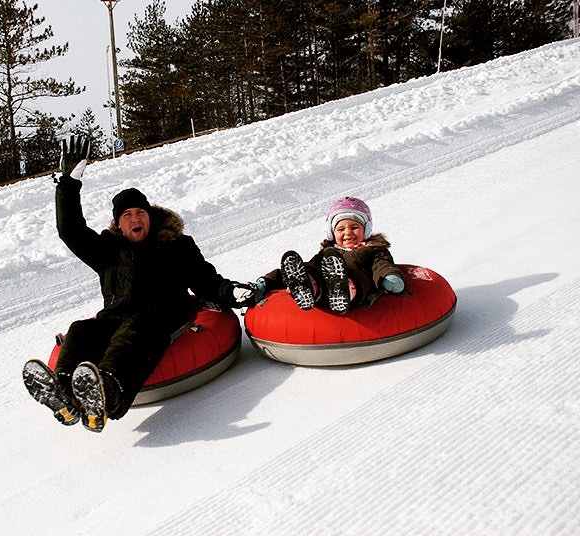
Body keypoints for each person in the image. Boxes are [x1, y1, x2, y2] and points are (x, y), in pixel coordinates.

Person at [23, 135, 257, 433]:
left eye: (140, 213)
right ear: (118, 224)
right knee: (82, 329)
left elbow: (205, 280)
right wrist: (68, 183)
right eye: (128, 215)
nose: (135, 218)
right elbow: (69, 230)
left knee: (136, 328)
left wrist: (233, 292)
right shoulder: (106, 251)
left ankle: (108, 392)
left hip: (162, 316)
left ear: (150, 218)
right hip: (116, 318)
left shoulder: (176, 245)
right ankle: (64, 394)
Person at [251, 197, 405, 314]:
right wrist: (267, 280)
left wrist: (390, 278)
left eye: (354, 227)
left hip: (357, 286)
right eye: (340, 229)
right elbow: (308, 266)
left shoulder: (374, 249)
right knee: (309, 268)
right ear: (332, 233)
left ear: (366, 229)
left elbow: (383, 265)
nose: (348, 233)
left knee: (352, 270)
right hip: (325, 287)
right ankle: (308, 287)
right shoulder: (327, 252)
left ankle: (345, 288)